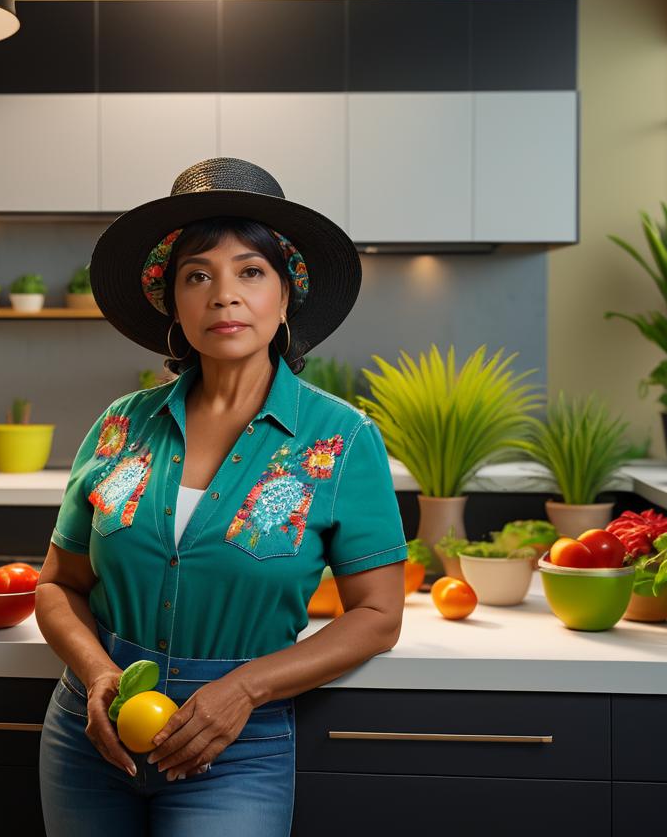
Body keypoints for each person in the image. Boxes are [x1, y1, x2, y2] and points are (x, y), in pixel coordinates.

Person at [36, 156, 408, 837]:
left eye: (250, 271)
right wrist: (94, 673)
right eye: (198, 275)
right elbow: (59, 586)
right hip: (91, 740)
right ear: (172, 301)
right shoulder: (122, 423)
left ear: (285, 293)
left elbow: (379, 615)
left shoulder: (343, 439)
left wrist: (245, 688)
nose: (223, 295)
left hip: (238, 747)